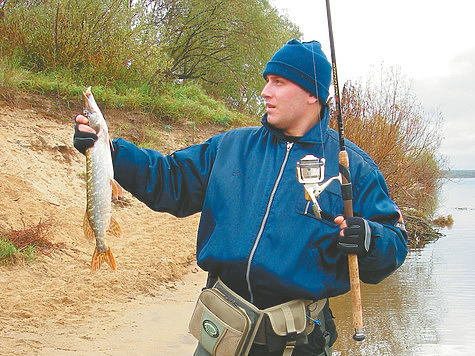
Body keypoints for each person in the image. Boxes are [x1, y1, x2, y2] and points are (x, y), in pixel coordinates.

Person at [74, 39, 408, 356]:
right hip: (222, 333)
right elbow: (168, 181)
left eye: (278, 82)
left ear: (312, 94)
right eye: (267, 81)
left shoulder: (353, 166)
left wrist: (369, 238)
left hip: (300, 343)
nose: (265, 92)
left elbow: (393, 242)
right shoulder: (231, 147)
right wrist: (110, 153)